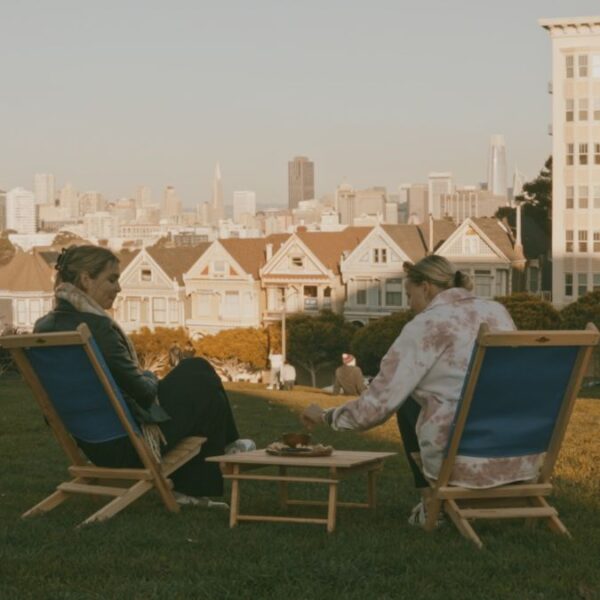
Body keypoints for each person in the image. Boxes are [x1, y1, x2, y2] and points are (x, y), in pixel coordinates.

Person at [302, 256, 540, 526]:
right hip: (521, 454)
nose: (409, 304)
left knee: (405, 398)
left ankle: (433, 506)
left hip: (465, 463)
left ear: (426, 287)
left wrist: (326, 416)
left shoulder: (426, 325)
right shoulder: (497, 312)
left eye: (409, 294)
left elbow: (377, 405)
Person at [34, 245, 255, 508]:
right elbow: (144, 392)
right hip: (130, 444)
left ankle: (223, 453)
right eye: (112, 279)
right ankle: (225, 451)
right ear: (85, 279)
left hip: (94, 444)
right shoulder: (98, 328)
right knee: (197, 370)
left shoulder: (44, 327)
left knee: (202, 389)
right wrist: (150, 376)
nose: (118, 289)